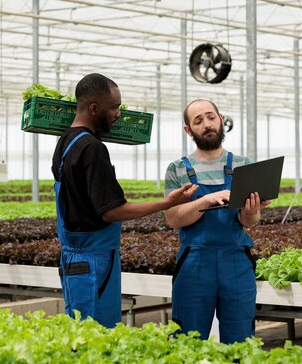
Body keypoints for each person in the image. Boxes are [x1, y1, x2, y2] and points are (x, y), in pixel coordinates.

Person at [51, 73, 198, 328]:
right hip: (95, 263)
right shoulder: (93, 149)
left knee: (79, 333)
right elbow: (113, 211)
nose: (118, 114)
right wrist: (167, 203)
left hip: (74, 261)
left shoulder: (65, 141)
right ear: (94, 108)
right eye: (115, 107)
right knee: (99, 335)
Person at [164, 99, 269, 344]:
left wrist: (252, 211)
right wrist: (206, 200)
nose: (207, 124)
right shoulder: (177, 169)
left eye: (211, 117)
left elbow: (249, 221)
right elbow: (174, 219)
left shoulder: (244, 166)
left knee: (240, 338)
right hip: (194, 263)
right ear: (189, 130)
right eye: (198, 121)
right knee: (188, 339)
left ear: (221, 119)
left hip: (236, 261)